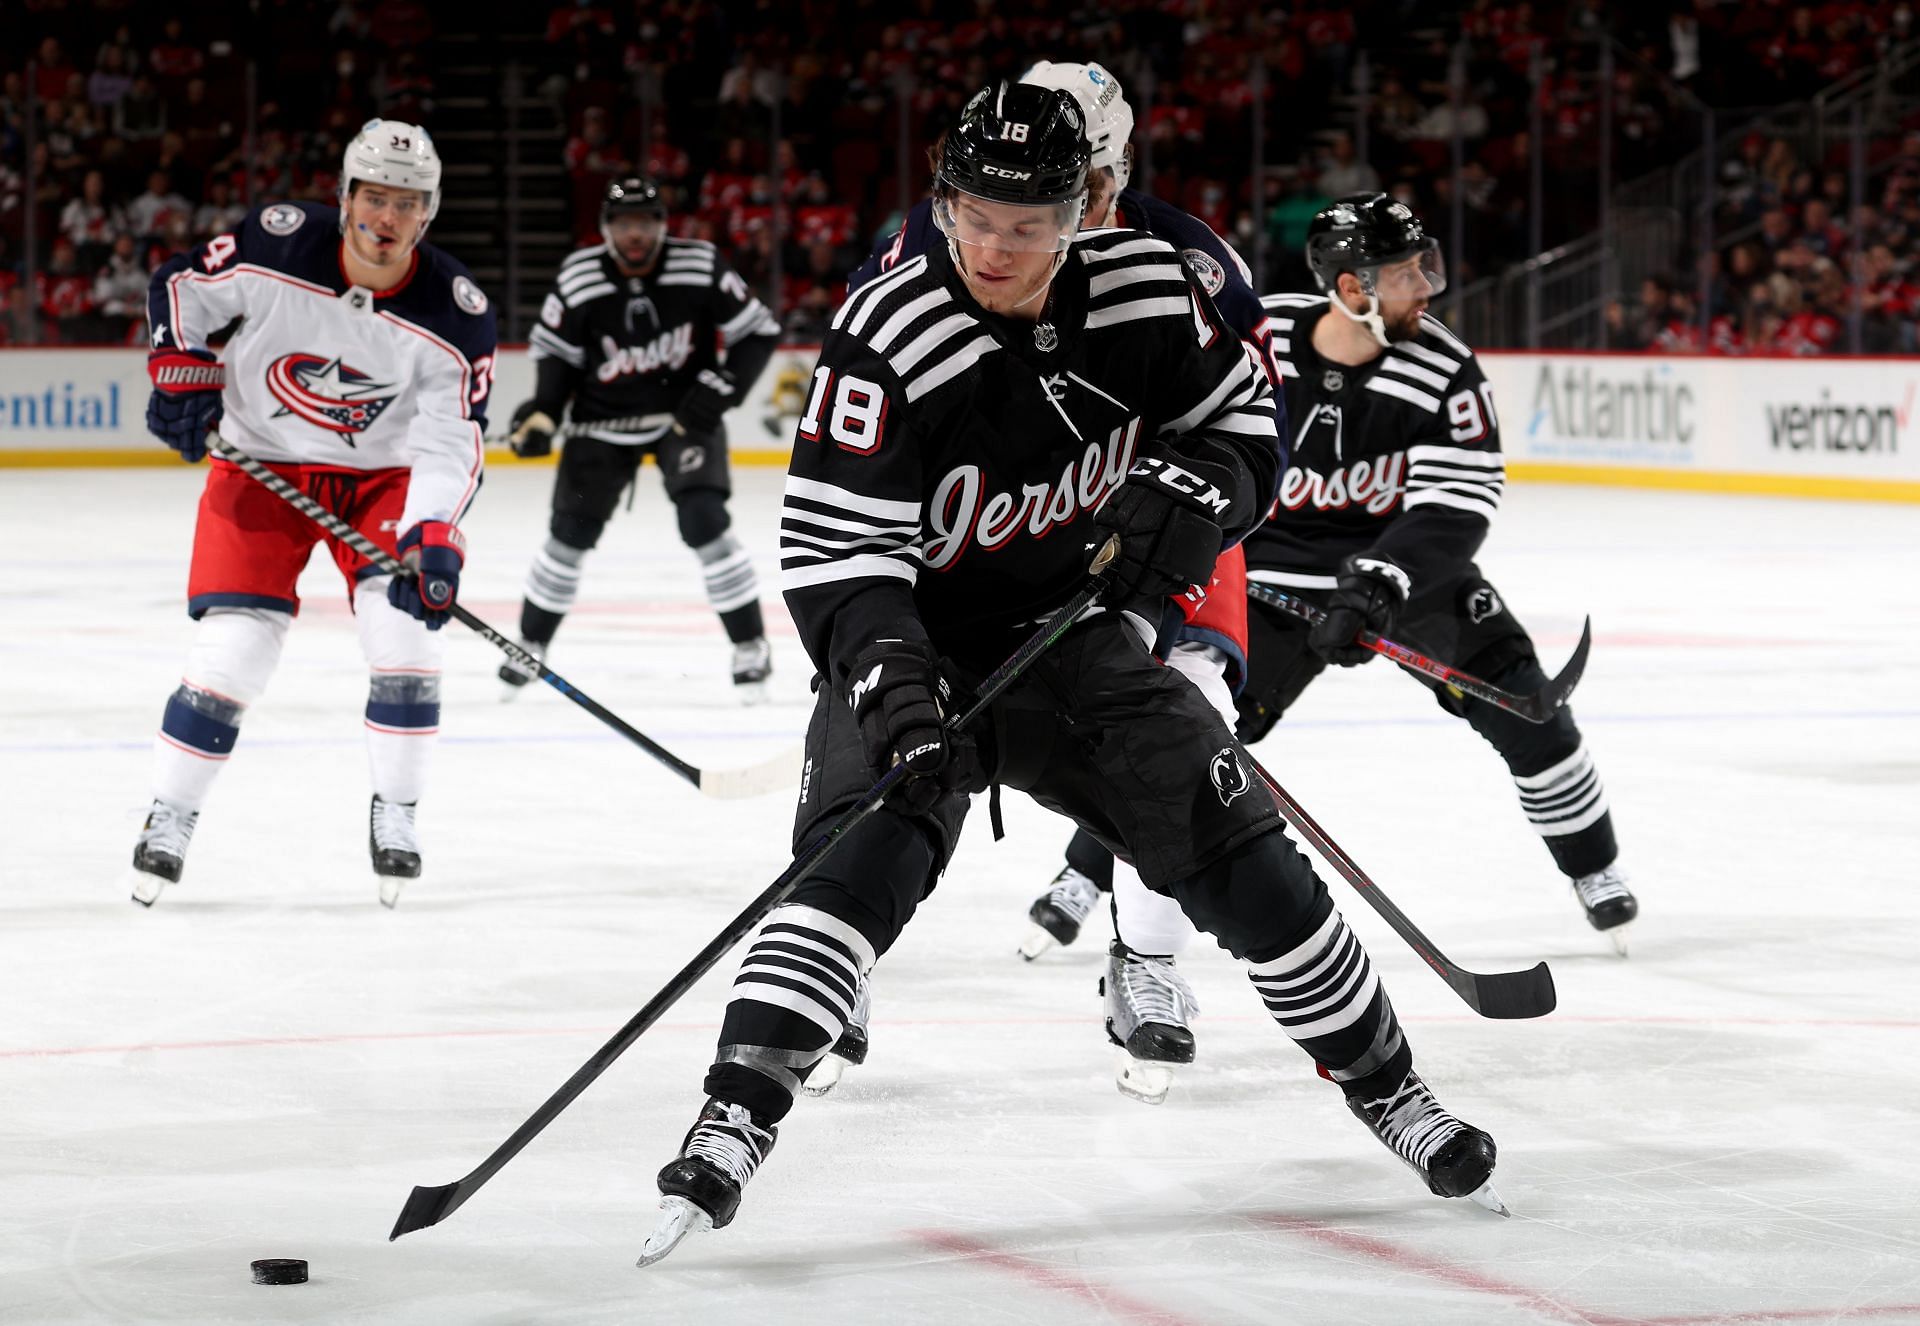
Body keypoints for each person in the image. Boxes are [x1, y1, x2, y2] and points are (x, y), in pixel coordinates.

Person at [636, 83, 1501, 1268]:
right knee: (862, 850)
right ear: (942, 204)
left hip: (1077, 633)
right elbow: (837, 554)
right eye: (976, 216)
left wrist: (1191, 499)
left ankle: (1390, 1089)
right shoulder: (887, 333)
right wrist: (896, 691)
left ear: (1083, 210)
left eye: (1031, 222)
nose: (999, 247)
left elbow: (1248, 428)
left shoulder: (1149, 287)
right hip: (925, 642)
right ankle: (737, 1111)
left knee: (1237, 843)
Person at [831, 56, 1285, 1106]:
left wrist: (1187, 498)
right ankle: (840, 949)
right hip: (988, 528)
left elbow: (1256, 418)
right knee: (882, 716)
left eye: (1094, 182)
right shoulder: (938, 235)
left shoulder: (1186, 260)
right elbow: (861, 383)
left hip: (1150, 529)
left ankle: (1152, 963)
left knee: (1194, 706)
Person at [1242, 193, 1637, 948]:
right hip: (1270, 571)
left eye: (1427, 265)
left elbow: (1459, 500)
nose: (1427, 285)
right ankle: (1088, 877)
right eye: (1405, 272)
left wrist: (1382, 581)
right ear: (1352, 289)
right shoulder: (1256, 337)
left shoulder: (1443, 367)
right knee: (1185, 729)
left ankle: (1594, 868)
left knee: (1531, 708)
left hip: (1402, 568)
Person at [130, 118, 495, 908]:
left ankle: (396, 813)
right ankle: (172, 812)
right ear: (345, 196)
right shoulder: (276, 244)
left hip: (382, 483)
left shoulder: (456, 312)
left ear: (427, 213)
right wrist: (178, 370)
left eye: (407, 203)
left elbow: (448, 442)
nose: (387, 218)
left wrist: (435, 536)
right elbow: (180, 287)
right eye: (375, 197)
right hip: (261, 465)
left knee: (405, 640)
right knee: (233, 650)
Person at [499, 176, 782, 701]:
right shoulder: (580, 276)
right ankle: (529, 643)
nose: (635, 235)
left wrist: (719, 391)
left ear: (663, 226)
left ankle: (750, 646)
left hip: (683, 421)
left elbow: (759, 331)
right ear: (606, 229)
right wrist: (542, 410)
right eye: (623, 223)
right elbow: (557, 355)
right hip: (601, 423)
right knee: (569, 535)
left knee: (705, 522)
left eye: (645, 222)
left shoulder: (699, 265)